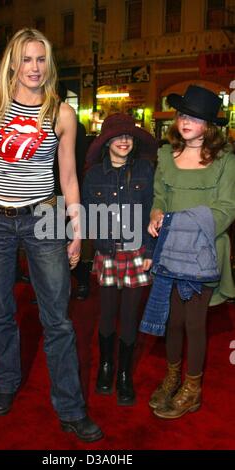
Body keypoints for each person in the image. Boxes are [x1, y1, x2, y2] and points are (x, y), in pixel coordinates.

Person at [0, 28, 103, 442]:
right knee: (0, 312)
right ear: (14, 63)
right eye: (27, 59)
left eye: (41, 59)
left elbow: (69, 178)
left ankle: (71, 409)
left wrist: (77, 231)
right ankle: (6, 382)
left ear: (48, 64)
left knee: (58, 319)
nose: (34, 68)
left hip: (44, 218)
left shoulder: (61, 112)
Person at [145, 84, 235, 419]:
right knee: (174, 322)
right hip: (171, 252)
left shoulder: (226, 160)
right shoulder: (166, 155)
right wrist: (156, 213)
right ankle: (172, 378)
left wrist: (183, 226)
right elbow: (160, 197)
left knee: (195, 323)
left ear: (209, 125)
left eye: (195, 117)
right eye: (183, 114)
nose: (186, 120)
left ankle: (192, 388)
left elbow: (227, 210)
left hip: (205, 252)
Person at [82, 113, 157, 405]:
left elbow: (153, 212)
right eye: (118, 136)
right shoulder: (93, 174)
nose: (124, 141)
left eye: (129, 136)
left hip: (138, 252)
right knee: (106, 314)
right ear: (106, 142)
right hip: (108, 252)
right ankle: (106, 366)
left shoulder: (144, 170)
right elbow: (88, 215)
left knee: (129, 317)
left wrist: (150, 251)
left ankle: (124, 373)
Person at [53, 81, 90, 300]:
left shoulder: (73, 124)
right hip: (49, 194)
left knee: (69, 242)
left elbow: (74, 165)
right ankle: (53, 288)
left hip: (66, 192)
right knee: (51, 243)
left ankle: (81, 281)